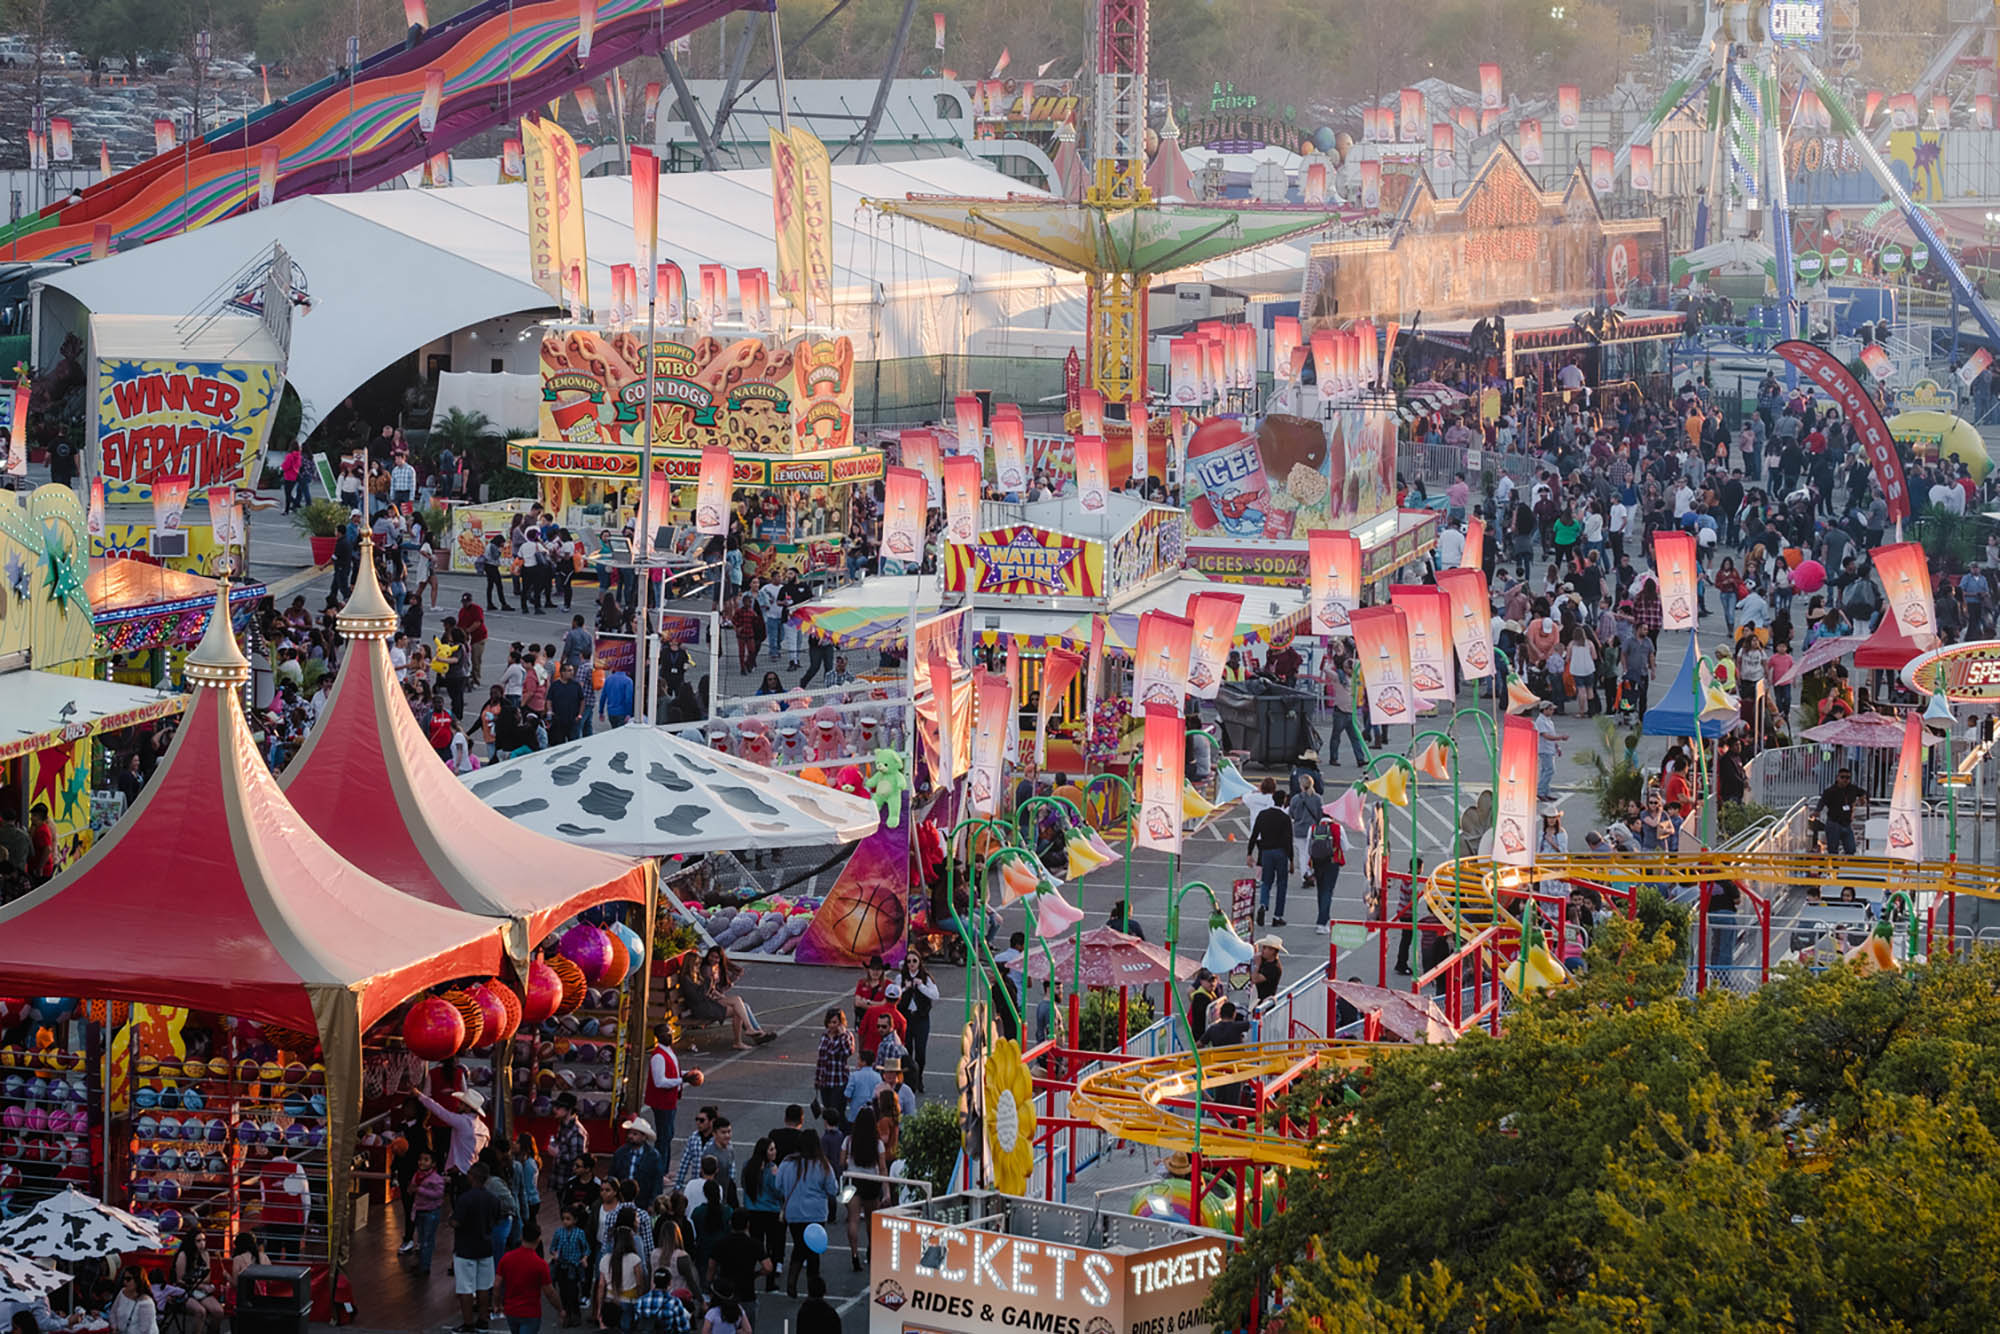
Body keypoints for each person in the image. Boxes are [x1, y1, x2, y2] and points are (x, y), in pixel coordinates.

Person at [775, 1130, 841, 1297]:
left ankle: (792, 1280)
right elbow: (832, 1189)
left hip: (794, 1213)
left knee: (799, 1245)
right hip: (816, 1213)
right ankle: (813, 1287)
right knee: (813, 1251)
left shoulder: (787, 1162)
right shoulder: (823, 1164)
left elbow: (778, 1186)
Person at [453, 1162, 506, 1332]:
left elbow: (456, 1222)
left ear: (472, 1177)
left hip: (465, 1248)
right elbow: (497, 1219)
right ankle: (483, 1322)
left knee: (465, 1289)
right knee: (484, 1287)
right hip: (485, 1247)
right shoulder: (493, 1199)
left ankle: (468, 1323)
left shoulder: (465, 1199)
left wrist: (450, 1220)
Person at [740, 1137, 786, 1295]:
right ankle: (769, 1282)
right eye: (771, 1149)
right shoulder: (772, 1169)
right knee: (772, 1247)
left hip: (753, 1211)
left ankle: (748, 1278)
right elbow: (778, 1191)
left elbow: (744, 1185)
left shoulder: (747, 1165)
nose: (775, 1152)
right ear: (764, 1152)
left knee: (755, 1245)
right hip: (770, 1212)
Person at [416, 1085, 492, 1178]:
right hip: (473, 1172)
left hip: (458, 1171)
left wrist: (419, 1095)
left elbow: (440, 1111)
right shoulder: (484, 1129)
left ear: (468, 1108)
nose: (458, 1105)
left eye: (461, 1103)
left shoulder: (463, 1121)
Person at [496, 1221, 558, 1334]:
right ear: (538, 1240)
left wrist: (497, 1304)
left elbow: (497, 1285)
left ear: (521, 1237)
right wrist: (560, 1309)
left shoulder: (506, 1258)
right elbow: (550, 1292)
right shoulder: (540, 1264)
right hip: (530, 1312)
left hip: (511, 1311)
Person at [842, 1106, 884, 1271]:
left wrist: (849, 1163)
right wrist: (886, 1189)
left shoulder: (849, 1141)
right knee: (871, 1220)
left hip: (853, 1181)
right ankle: (871, 1250)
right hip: (872, 1182)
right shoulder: (877, 1143)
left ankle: (854, 1254)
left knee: (853, 1219)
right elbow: (882, 1167)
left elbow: (841, 1162)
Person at [1247, 779, 1294, 926]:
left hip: (1266, 852)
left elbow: (1254, 835)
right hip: (1281, 852)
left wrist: (1249, 853)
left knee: (1266, 882)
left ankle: (1263, 904)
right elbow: (1288, 840)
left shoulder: (1263, 815)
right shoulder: (1285, 818)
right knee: (1282, 884)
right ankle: (1277, 916)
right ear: (1284, 801)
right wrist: (1292, 860)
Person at [168, 1222, 225, 1334]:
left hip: (199, 1289)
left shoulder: (205, 1254)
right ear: (192, 1242)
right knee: (200, 1311)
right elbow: (180, 1280)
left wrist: (201, 1285)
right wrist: (200, 1285)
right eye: (198, 1241)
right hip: (184, 1290)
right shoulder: (183, 1255)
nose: (202, 1244)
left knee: (218, 1311)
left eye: (203, 1240)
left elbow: (207, 1277)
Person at [595, 1224, 647, 1330]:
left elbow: (601, 1286)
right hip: (629, 1301)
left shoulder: (605, 1259)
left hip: (610, 1300)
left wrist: (599, 1307)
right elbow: (639, 1284)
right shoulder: (635, 1259)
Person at [645, 1023, 687, 1150]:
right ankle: (661, 1161)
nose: (670, 1035)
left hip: (669, 1100)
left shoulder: (668, 1051)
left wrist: (687, 1074)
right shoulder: (658, 1056)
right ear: (658, 1036)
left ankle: (664, 1160)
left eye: (671, 1032)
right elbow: (660, 1082)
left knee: (668, 1135)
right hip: (662, 1102)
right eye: (666, 1033)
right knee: (664, 1136)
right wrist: (682, 1080)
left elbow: (673, 1071)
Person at [407, 1149, 448, 1276]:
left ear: (433, 1163)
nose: (422, 1162)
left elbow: (438, 1194)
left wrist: (419, 1190)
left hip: (431, 1212)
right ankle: (422, 1263)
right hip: (420, 1210)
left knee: (427, 1240)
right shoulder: (417, 1175)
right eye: (421, 1159)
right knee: (421, 1239)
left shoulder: (436, 1179)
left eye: (426, 1160)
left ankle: (425, 1266)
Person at [613, 1116, 666, 1207]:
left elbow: (657, 1182)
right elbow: (613, 1174)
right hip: (621, 1199)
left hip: (642, 1201)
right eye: (630, 1133)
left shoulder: (653, 1156)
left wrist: (652, 1203)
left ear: (644, 1137)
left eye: (635, 1134)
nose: (630, 1136)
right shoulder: (620, 1153)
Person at [813, 1008, 853, 1122]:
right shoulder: (824, 1036)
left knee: (837, 1112)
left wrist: (842, 1035)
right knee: (827, 1112)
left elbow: (848, 1052)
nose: (832, 1025)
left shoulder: (846, 1036)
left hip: (839, 1081)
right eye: (830, 1022)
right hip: (825, 1081)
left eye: (835, 1022)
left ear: (841, 1023)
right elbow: (821, 1059)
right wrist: (817, 1079)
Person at [1816, 766, 1865, 856]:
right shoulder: (1830, 791)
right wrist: (1817, 811)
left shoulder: (1853, 789)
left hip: (1846, 823)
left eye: (1848, 778)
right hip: (1834, 823)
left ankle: (1846, 864)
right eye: (1842, 777)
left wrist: (1862, 799)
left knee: (1851, 849)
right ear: (1837, 778)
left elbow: (1863, 792)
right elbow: (1822, 801)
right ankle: (1834, 865)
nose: (1845, 780)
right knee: (1833, 851)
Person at [1308, 814, 1344, 934]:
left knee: (1321, 890)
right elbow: (1345, 846)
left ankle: (1323, 917)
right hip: (1332, 862)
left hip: (1317, 862)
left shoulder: (1313, 828)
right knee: (1328, 891)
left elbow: (1309, 847)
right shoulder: (1337, 827)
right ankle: (1322, 922)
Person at [629, 1268, 694, 1333]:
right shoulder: (674, 1302)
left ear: (654, 1282)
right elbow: (683, 1328)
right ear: (669, 1283)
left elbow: (636, 1321)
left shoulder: (641, 1301)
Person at [107, 1268, 157, 1334]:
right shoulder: (122, 1292)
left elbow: (145, 1330)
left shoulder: (146, 1303)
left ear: (138, 1280)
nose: (125, 1282)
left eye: (128, 1279)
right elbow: (113, 1312)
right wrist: (114, 1328)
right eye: (124, 1278)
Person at [1253, 935, 1285, 1002]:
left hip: (1264, 1002)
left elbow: (1255, 979)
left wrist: (1257, 965)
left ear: (1272, 951)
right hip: (1256, 999)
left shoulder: (1274, 968)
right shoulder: (1265, 959)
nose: (1262, 950)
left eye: (1264, 948)